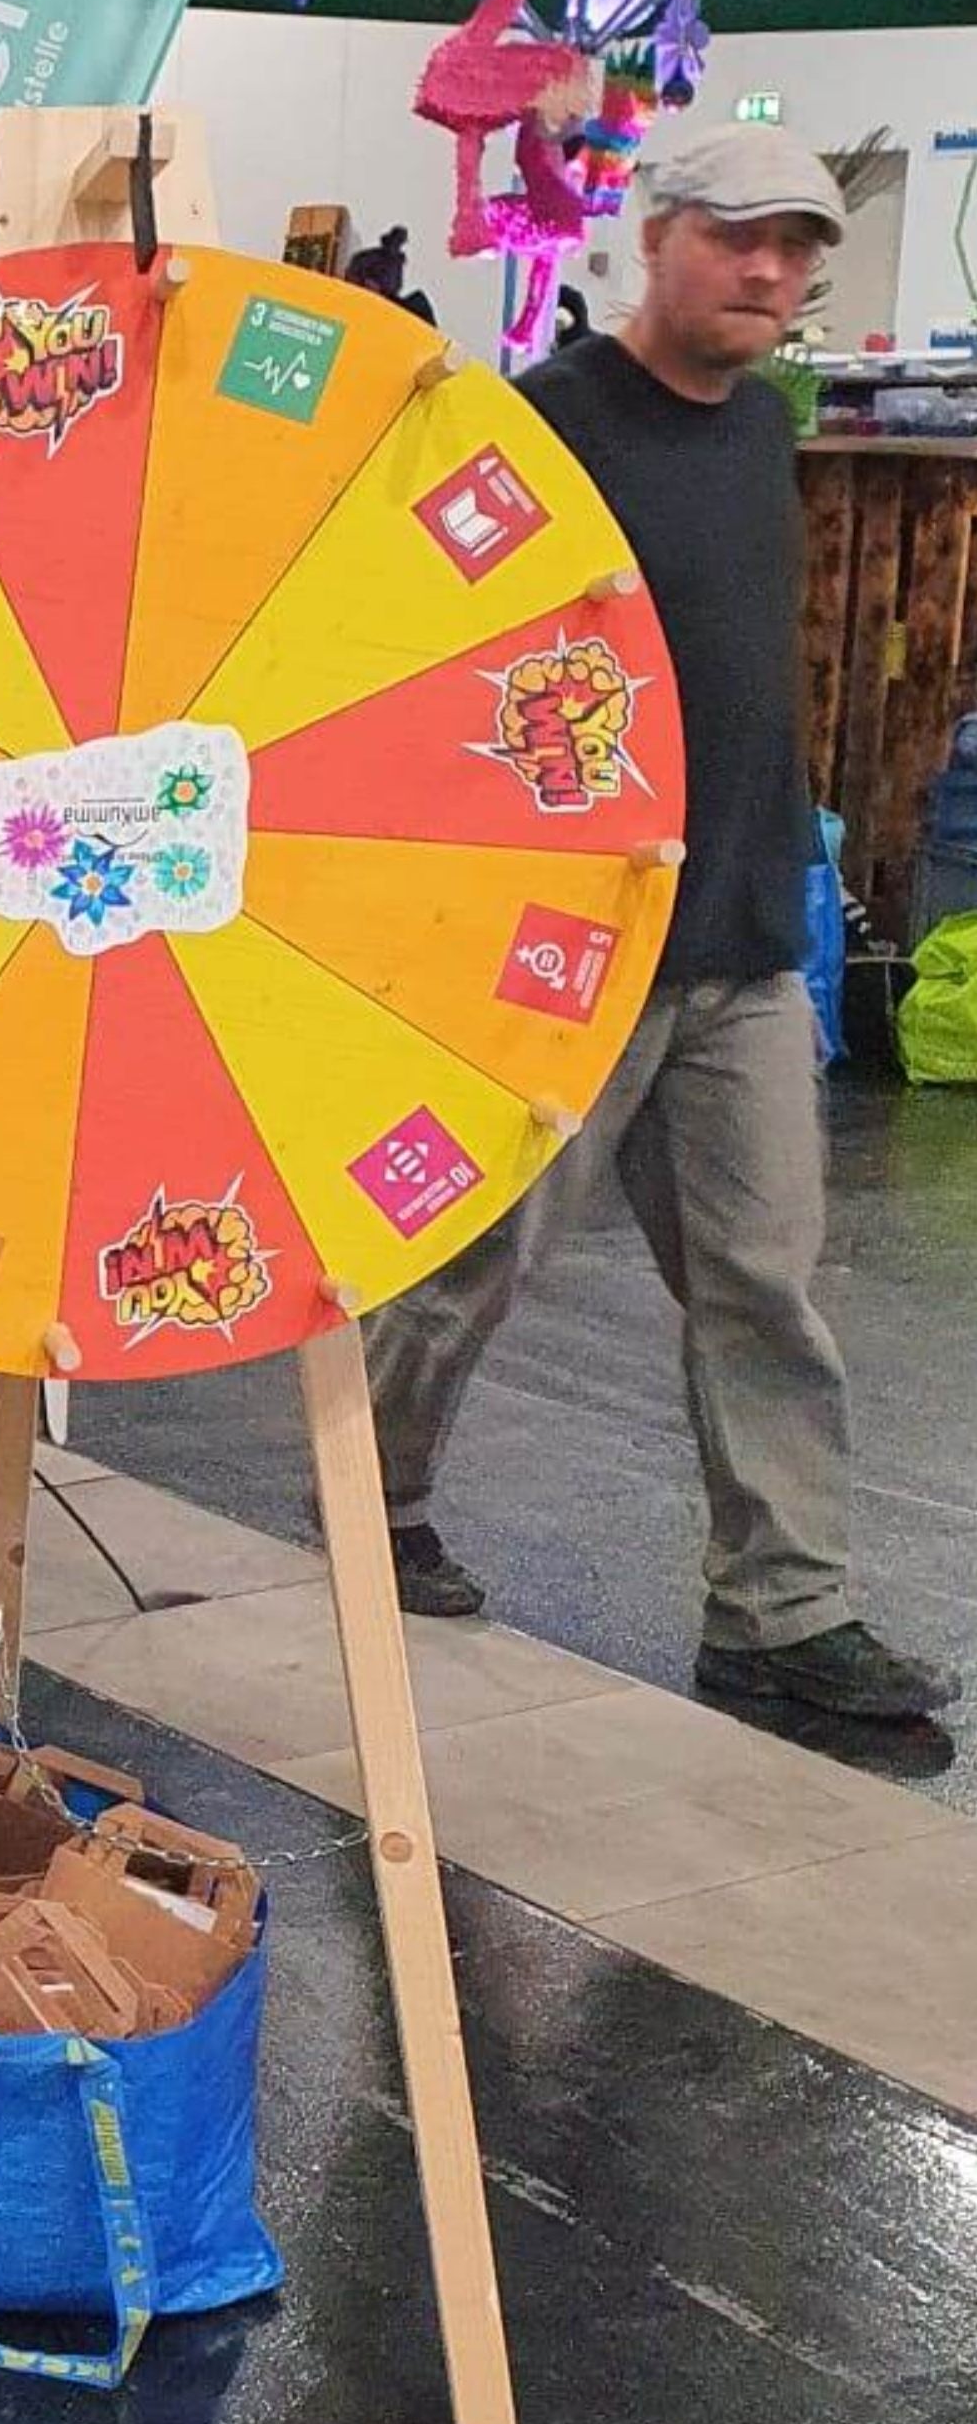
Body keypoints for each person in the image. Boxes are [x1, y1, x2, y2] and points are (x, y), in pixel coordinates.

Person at [368, 127, 960, 1724]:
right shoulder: (537, 430)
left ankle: (780, 1611)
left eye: (793, 248)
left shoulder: (767, 428)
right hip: (567, 946)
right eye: (735, 238)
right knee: (473, 1261)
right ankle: (369, 1501)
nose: (766, 272)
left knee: (766, 1283)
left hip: (746, 939)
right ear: (655, 234)